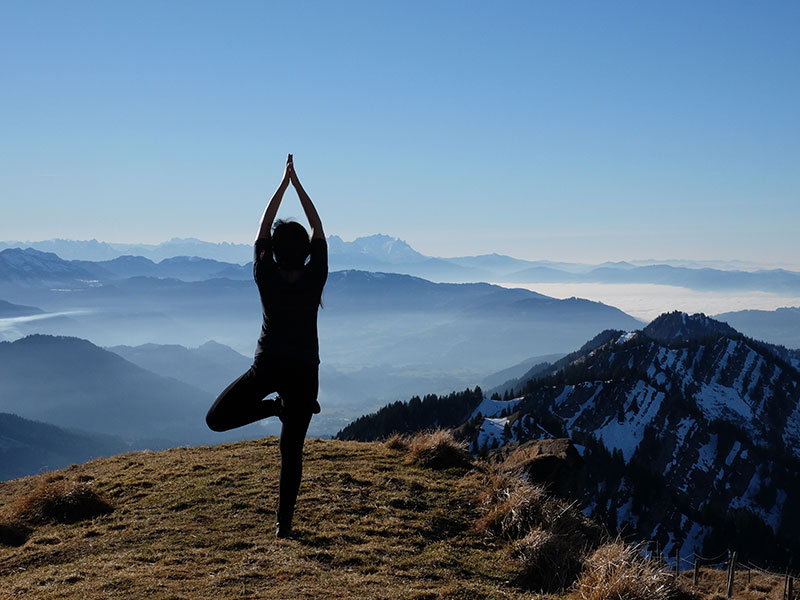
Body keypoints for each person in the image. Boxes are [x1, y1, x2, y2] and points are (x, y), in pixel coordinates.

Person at [205, 154, 327, 539]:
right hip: (305, 375)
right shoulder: (315, 276)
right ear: (306, 252)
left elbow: (261, 229)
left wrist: (282, 184)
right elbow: (318, 226)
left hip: (268, 367)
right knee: (291, 452)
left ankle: (274, 407)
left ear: (274, 250)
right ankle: (283, 526)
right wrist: (298, 185)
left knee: (217, 419)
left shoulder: (265, 274)